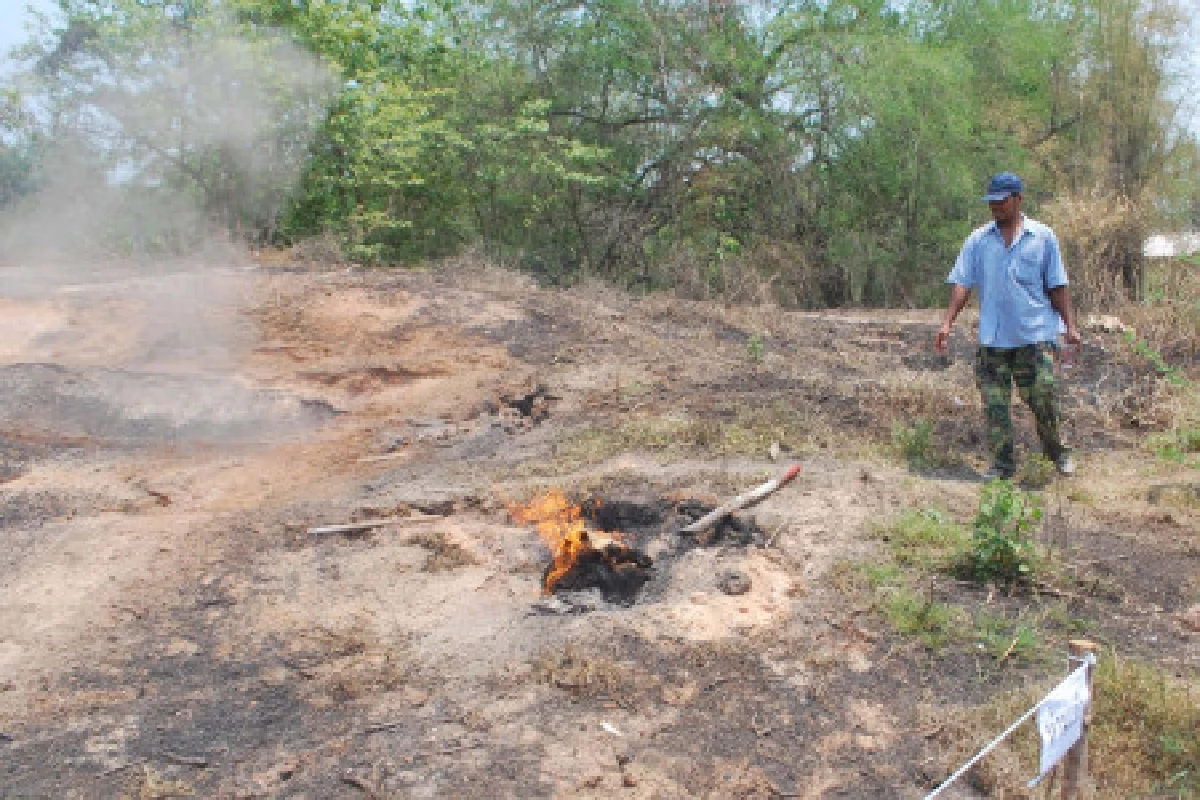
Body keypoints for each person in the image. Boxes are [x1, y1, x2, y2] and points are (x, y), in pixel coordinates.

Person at [933, 172, 1081, 479]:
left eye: (1002, 201)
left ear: (1018, 199)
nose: (996, 207)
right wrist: (947, 322)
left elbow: (1057, 286)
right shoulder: (978, 240)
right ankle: (1002, 467)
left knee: (1044, 400)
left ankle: (1058, 455)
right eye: (992, 202)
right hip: (993, 339)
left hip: (1034, 336)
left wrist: (1070, 326)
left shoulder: (1042, 237)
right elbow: (962, 283)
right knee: (995, 407)